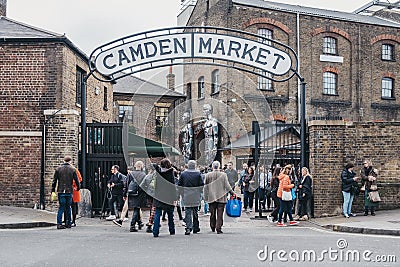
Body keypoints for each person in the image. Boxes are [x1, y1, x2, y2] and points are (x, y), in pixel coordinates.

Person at [204, 161, 235, 234]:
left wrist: (205, 197)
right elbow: (227, 186)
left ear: (212, 167)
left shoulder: (208, 175)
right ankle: (218, 228)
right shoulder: (223, 175)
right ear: (219, 167)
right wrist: (232, 193)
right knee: (220, 214)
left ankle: (212, 226)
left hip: (211, 197)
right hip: (221, 198)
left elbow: (205, 187)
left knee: (212, 213)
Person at [51, 156, 80, 229]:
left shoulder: (58, 169)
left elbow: (54, 181)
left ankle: (59, 223)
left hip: (61, 191)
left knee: (61, 207)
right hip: (69, 191)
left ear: (64, 161)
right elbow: (77, 180)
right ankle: (68, 223)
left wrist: (53, 190)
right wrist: (78, 188)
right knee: (68, 207)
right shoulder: (73, 169)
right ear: (70, 161)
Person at [178, 160, 204, 235]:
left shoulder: (183, 174)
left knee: (188, 211)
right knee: (195, 211)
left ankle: (188, 227)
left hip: (186, 194)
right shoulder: (198, 173)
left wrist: (181, 193)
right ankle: (196, 227)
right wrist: (199, 192)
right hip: (195, 194)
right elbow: (201, 184)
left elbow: (180, 185)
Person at [152, 158, 177, 237]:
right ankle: (171, 230)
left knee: (157, 214)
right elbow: (173, 187)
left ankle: (155, 231)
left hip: (158, 196)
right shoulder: (170, 173)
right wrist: (175, 198)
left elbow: (153, 165)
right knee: (170, 215)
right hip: (168, 197)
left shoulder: (158, 172)